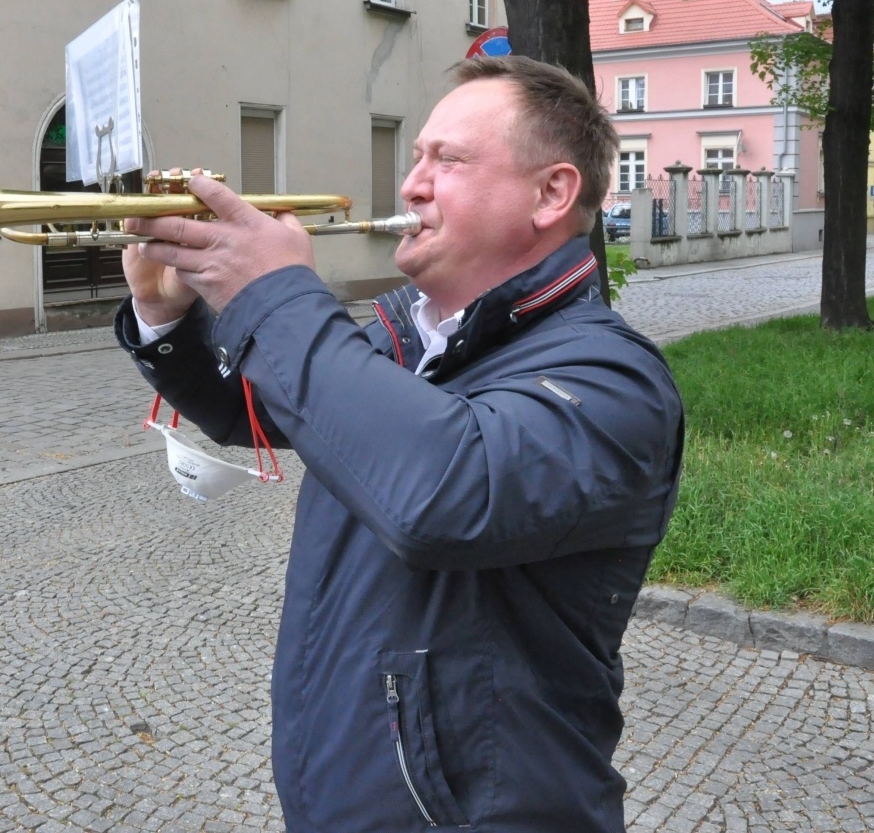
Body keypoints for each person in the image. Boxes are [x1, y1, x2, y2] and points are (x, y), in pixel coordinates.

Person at [116, 56, 684, 832]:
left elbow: (444, 493)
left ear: (551, 193)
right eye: (417, 156)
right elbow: (273, 409)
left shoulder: (614, 378)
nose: (413, 183)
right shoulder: (409, 332)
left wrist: (276, 293)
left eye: (448, 160)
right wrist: (165, 315)